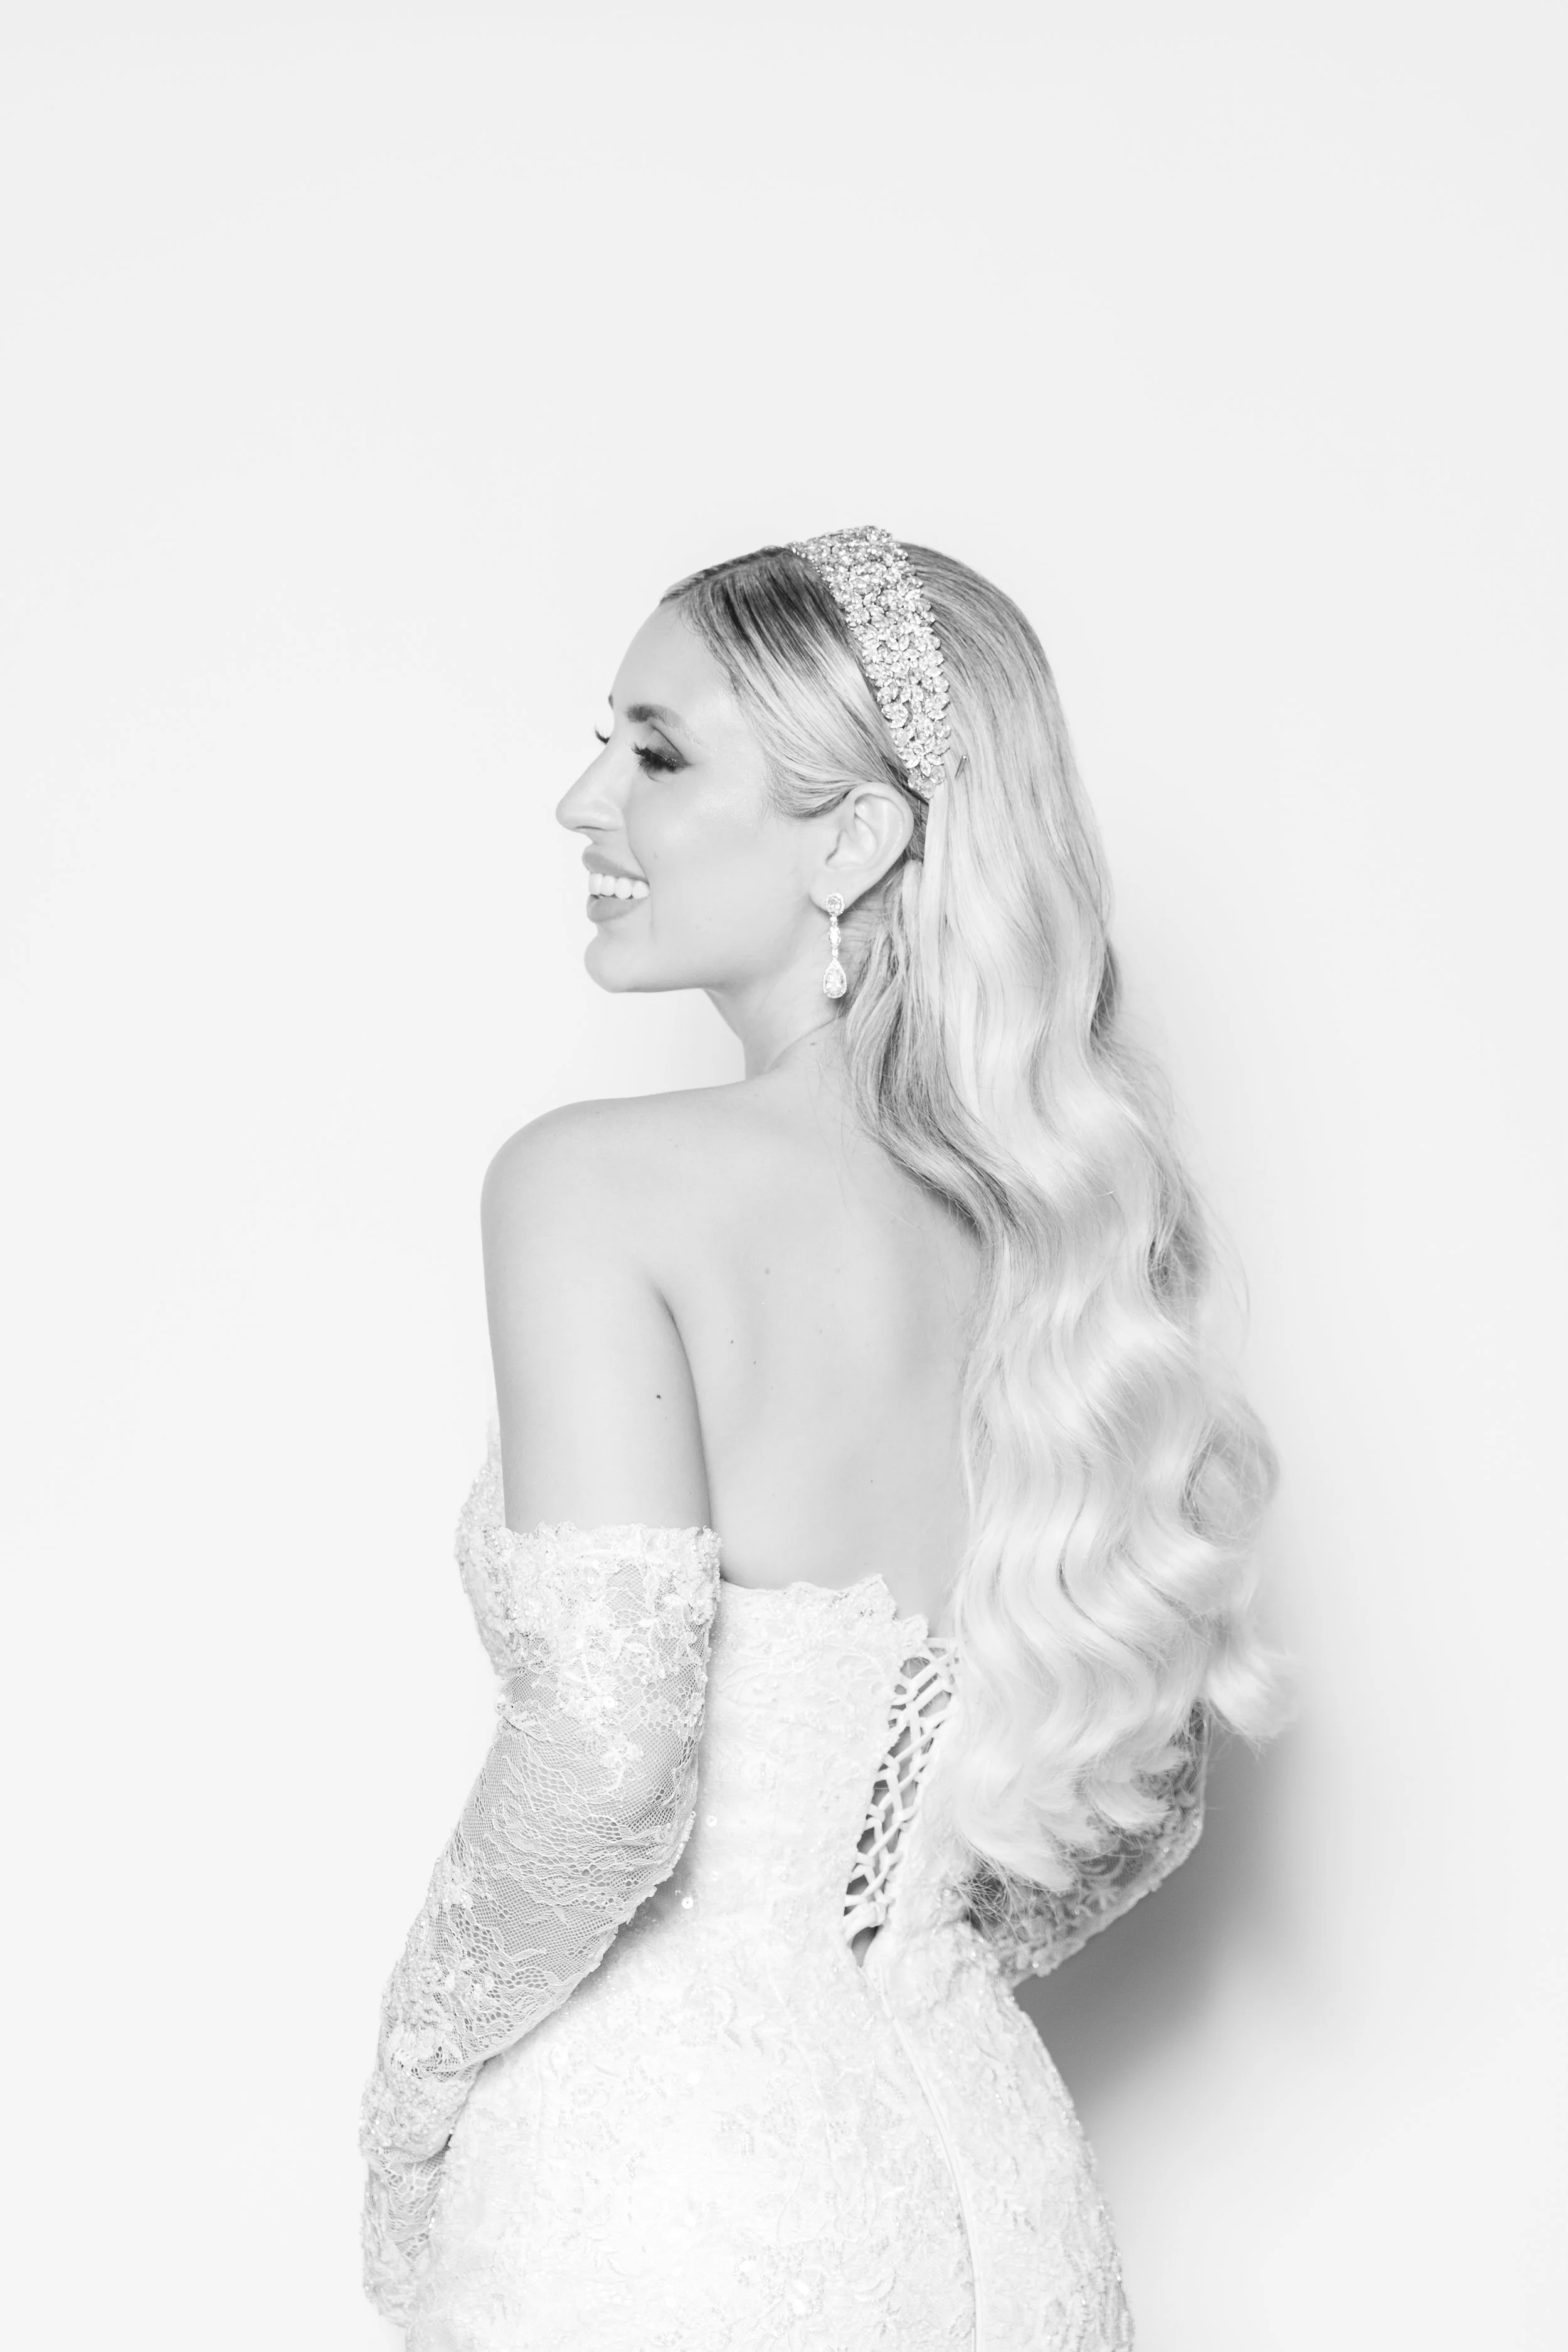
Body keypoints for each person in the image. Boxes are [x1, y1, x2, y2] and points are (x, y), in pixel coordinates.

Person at [359, 527, 1277, 2350]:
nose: (583, 802)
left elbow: (608, 1756)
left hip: (661, 2193)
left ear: (852, 840)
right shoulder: (1081, 1245)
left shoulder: (594, 1186)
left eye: (655, 751)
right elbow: (1146, 1793)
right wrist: (899, 1957)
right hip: (996, 2188)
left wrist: (415, 2087)